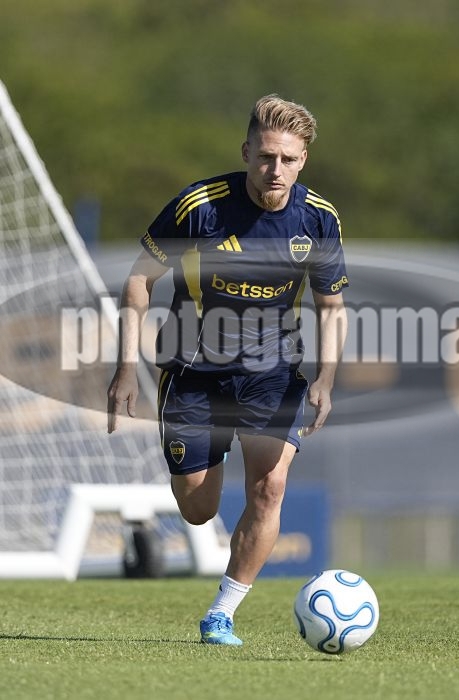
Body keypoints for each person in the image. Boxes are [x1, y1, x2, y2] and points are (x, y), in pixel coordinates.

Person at [107, 94, 348, 646]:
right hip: (195, 370)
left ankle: (222, 613)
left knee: (269, 488)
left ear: (303, 160)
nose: (275, 169)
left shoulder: (319, 219)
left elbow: (331, 306)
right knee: (198, 508)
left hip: (272, 371)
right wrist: (124, 369)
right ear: (246, 152)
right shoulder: (200, 208)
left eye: (288, 159)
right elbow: (139, 279)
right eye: (266, 156)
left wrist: (326, 378)